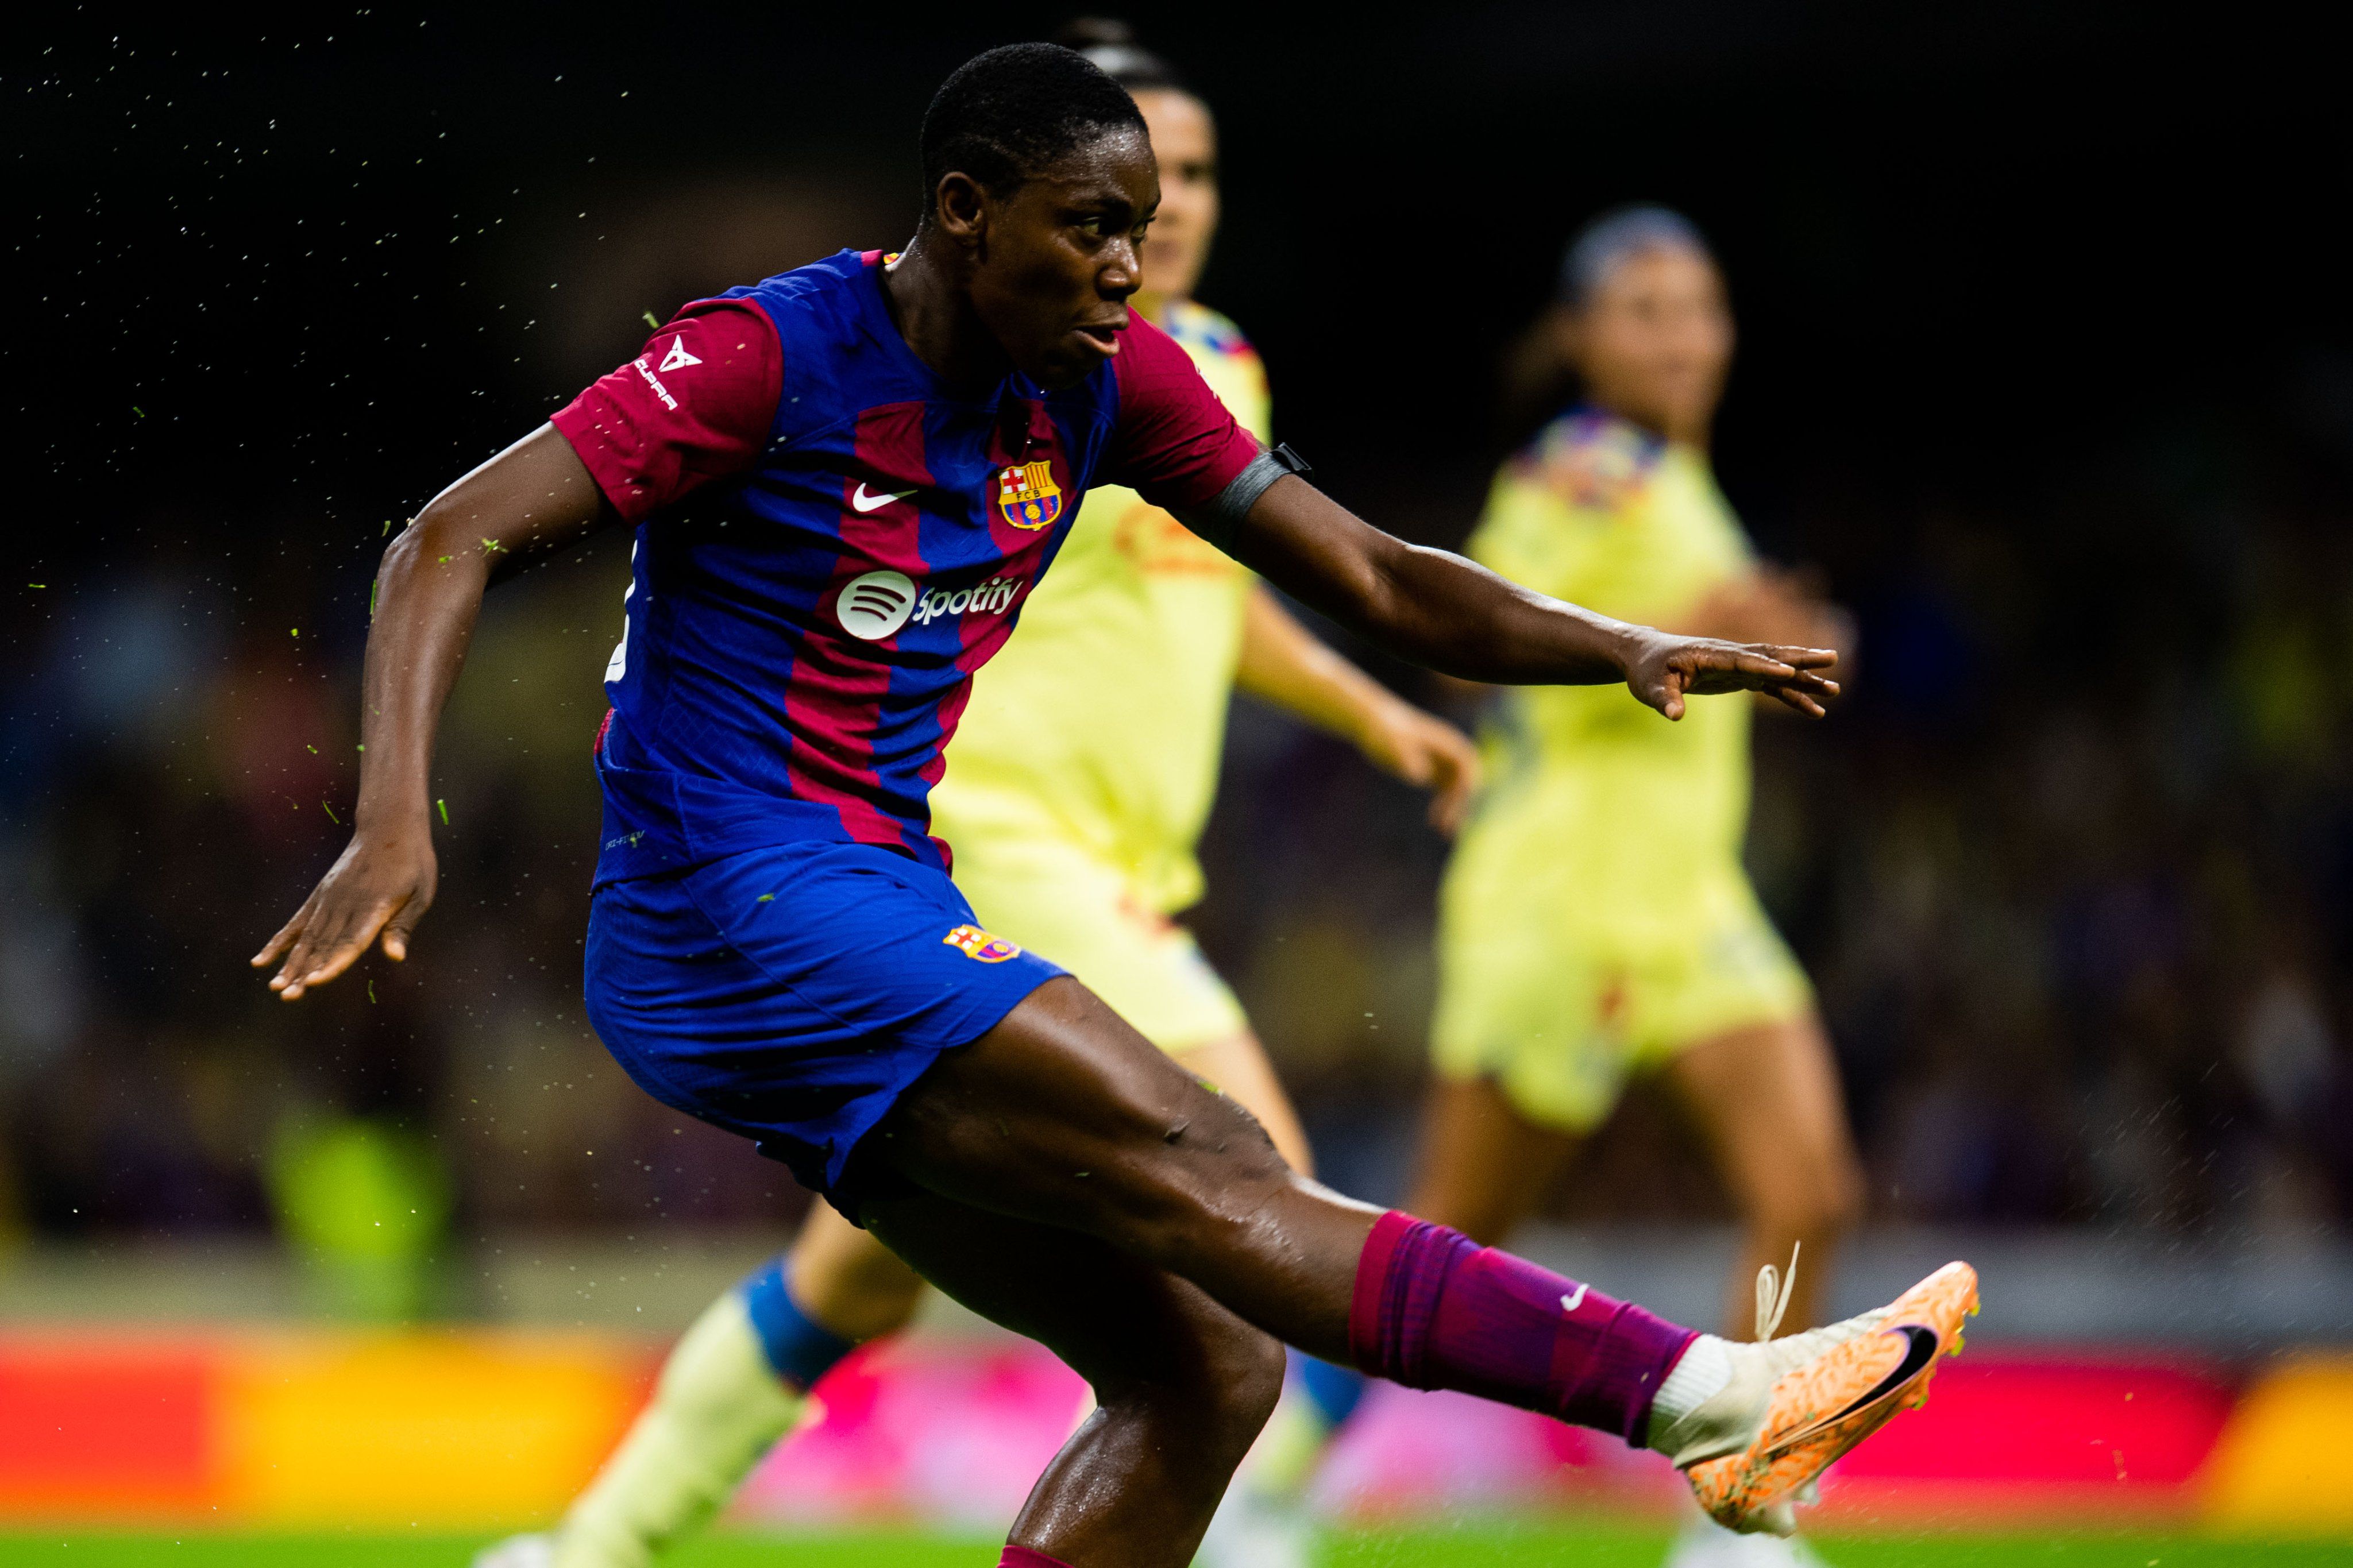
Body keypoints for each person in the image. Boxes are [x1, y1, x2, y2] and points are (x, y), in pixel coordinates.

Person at [255, 43, 1973, 1568]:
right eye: (1091, 222)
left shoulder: (1110, 375)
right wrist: (395, 817)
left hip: (859, 894)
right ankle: (1705, 1399)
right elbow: (447, 536)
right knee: (1216, 1160)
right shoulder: (766, 354)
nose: (1127, 262)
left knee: (1203, 1369)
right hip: (734, 899)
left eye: (1142, 223)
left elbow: (1372, 573)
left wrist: (1623, 648)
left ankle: (597, 1545)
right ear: (964, 209)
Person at [473, 23, 1480, 1567]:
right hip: (997, 845)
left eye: (1196, 175)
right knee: (1253, 1203)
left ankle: (589, 1548)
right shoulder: (1009, 362)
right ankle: (1255, 1529)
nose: (1176, 207)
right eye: (1143, 178)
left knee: (858, 1278)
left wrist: (1361, 708)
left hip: (1114, 861)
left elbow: (1205, 590)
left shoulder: (1189, 371)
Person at [1209, 208, 1874, 1568]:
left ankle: (1740, 1517)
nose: (1678, 336)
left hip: (1688, 906)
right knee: (1454, 1235)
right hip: (1561, 903)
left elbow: (1705, 600)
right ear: (1578, 339)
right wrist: (1722, 618)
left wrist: (1749, 616)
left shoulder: (1668, 480)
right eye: (1643, 311)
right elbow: (1467, 646)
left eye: (1696, 307)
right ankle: (1267, 1485)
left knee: (1810, 1188)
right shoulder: (1583, 476)